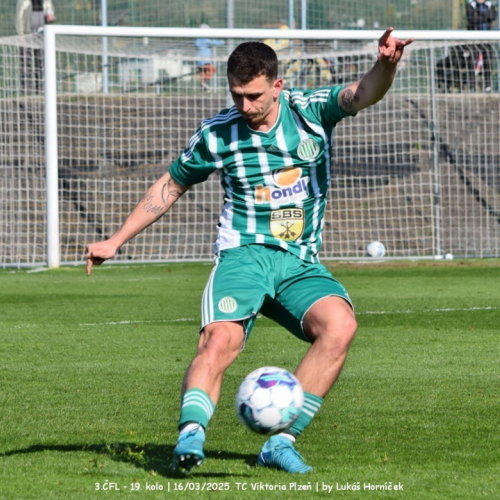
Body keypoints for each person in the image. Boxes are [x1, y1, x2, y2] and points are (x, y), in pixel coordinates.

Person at [86, 27, 413, 474]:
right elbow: (172, 184)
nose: (244, 105)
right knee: (219, 341)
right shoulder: (218, 134)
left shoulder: (311, 111)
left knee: (340, 327)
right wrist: (115, 240)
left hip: (298, 261)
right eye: (236, 95)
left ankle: (281, 442)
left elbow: (361, 93)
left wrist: (386, 66)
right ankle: (190, 436)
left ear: (278, 85)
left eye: (254, 95)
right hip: (242, 256)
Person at [16, 0, 55, 93]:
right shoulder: (23, 2)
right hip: (27, 35)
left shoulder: (47, 2)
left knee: (42, 63)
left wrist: (50, 18)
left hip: (41, 36)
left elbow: (51, 16)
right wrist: (21, 34)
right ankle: (26, 89)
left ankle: (41, 89)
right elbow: (19, 18)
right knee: (26, 63)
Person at [466, 0, 497, 91]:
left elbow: (494, 16)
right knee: (472, 61)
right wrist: (485, 15)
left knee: (488, 61)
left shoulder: (489, 5)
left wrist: (479, 14)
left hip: (487, 39)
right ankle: (471, 86)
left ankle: (488, 86)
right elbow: (472, 20)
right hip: (474, 39)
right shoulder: (471, 5)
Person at [195, 24, 224, 92]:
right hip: (204, 60)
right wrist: (223, 42)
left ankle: (204, 86)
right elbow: (214, 43)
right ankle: (206, 82)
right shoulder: (204, 40)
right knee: (212, 69)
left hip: (198, 61)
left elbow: (197, 44)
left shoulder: (198, 40)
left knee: (203, 72)